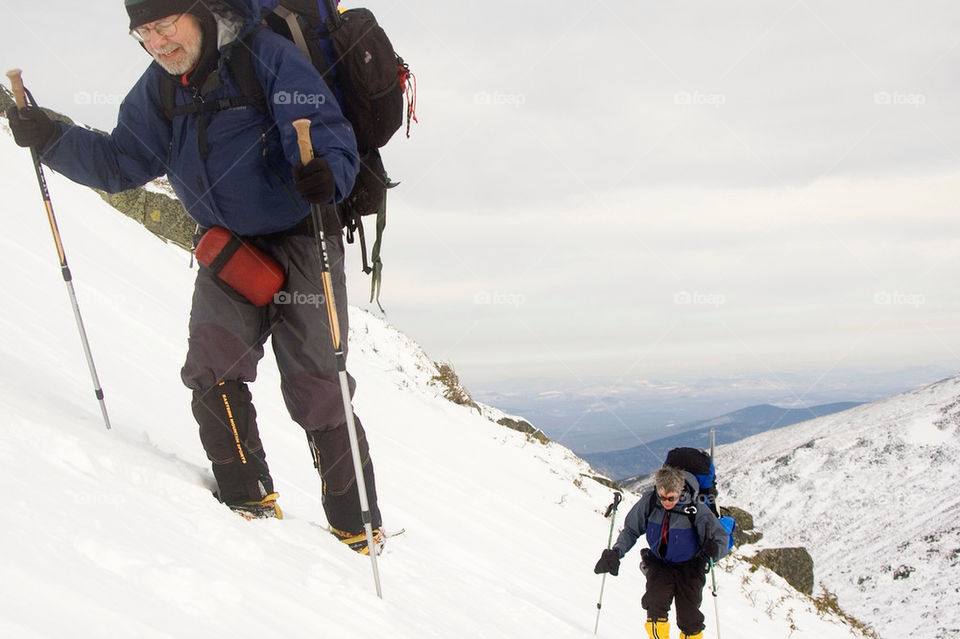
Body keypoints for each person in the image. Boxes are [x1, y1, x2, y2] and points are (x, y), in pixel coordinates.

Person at [6, 0, 383, 552]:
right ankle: (246, 502)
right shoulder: (158, 90)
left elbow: (325, 131)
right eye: (143, 34)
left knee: (317, 386)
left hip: (303, 234)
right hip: (229, 246)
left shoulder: (267, 58)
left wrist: (327, 172)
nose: (157, 43)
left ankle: (358, 530)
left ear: (198, 14)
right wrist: (53, 138)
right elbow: (120, 162)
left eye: (164, 26)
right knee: (211, 368)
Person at [594, 465, 729, 639]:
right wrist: (616, 552)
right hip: (660, 564)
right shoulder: (650, 502)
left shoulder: (696, 508)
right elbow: (631, 530)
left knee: (689, 619)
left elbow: (721, 540)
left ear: (680, 491)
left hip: (690, 567)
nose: (666, 502)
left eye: (671, 498)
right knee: (654, 610)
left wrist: (714, 550)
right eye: (662, 497)